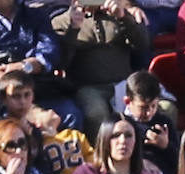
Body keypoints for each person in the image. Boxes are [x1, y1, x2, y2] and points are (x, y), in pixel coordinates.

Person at [0, 0, 79, 130]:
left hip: (35, 85)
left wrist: (24, 66)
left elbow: (49, 52)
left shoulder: (36, 16)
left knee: (70, 113)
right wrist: (10, 78)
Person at [51, 0, 151, 130]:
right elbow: (59, 62)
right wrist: (73, 29)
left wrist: (124, 17)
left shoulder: (118, 14)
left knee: (151, 107)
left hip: (122, 84)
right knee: (96, 113)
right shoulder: (61, 22)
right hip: (88, 87)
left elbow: (142, 44)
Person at [121, 69, 178, 174]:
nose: (149, 112)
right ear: (128, 102)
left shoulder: (164, 123)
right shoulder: (120, 124)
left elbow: (178, 162)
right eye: (143, 107)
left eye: (153, 106)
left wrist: (166, 146)